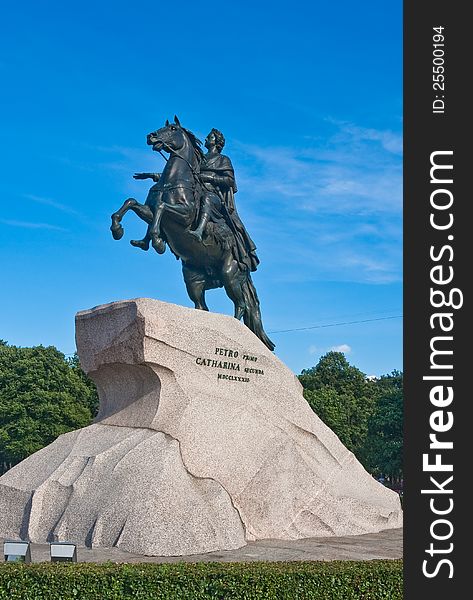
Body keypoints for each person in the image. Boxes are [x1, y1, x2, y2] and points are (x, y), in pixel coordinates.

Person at [189, 128, 259, 272]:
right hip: (196, 191)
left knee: (207, 198)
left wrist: (209, 177)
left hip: (213, 195)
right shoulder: (199, 157)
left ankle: (199, 230)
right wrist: (157, 176)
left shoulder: (223, 160)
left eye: (210, 137)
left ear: (217, 142)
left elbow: (229, 181)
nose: (206, 139)